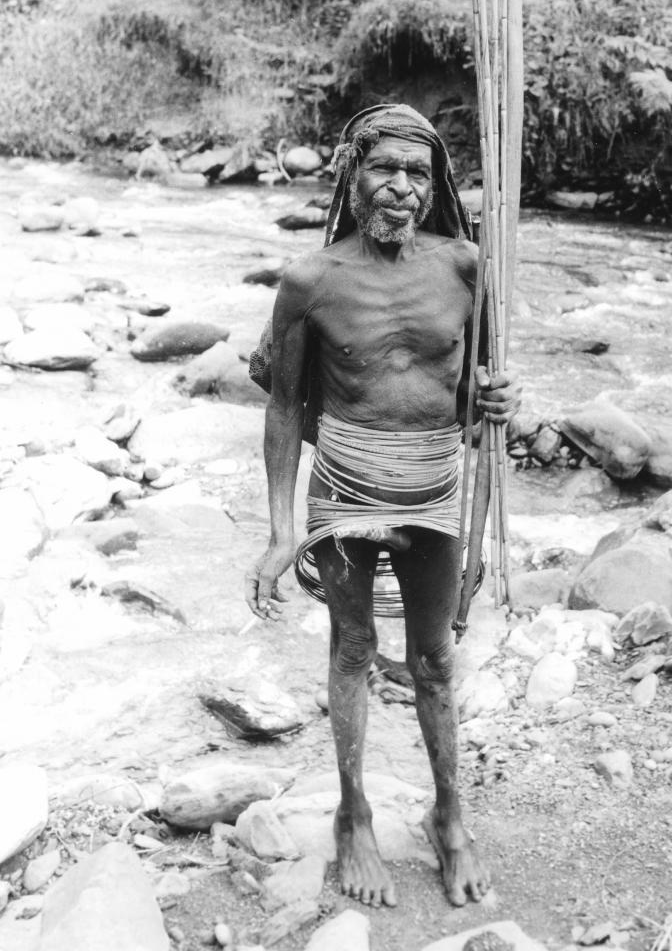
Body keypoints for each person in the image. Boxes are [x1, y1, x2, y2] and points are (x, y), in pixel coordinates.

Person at [246, 104, 521, 909]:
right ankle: (353, 815)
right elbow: (285, 409)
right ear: (352, 178)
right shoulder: (311, 281)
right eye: (384, 170)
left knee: (435, 660)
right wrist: (277, 532)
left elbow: (471, 395)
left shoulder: (469, 267)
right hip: (345, 492)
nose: (401, 188)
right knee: (352, 647)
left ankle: (450, 818)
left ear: (433, 187)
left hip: (432, 487)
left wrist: (496, 398)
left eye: (418, 173)